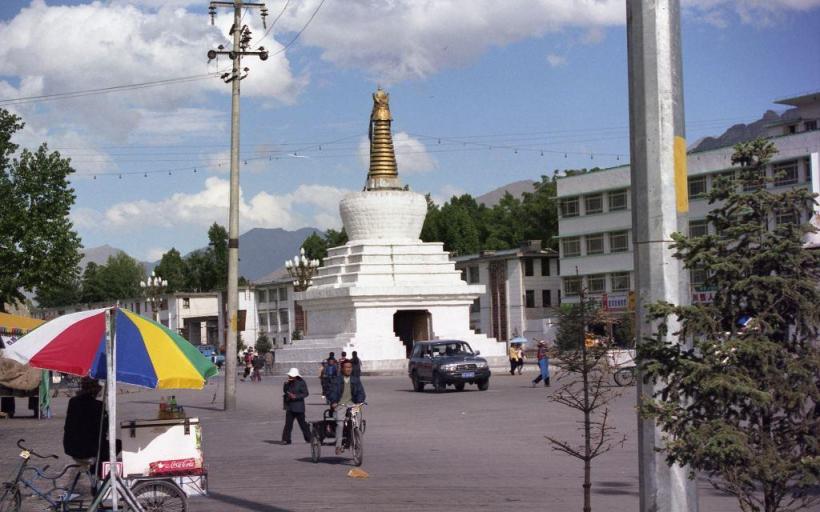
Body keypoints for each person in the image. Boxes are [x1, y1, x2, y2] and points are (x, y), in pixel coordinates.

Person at [63, 378, 118, 475]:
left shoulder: (73, 402)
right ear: (96, 390)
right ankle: (98, 474)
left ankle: (96, 472)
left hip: (70, 447)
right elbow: (103, 430)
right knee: (117, 444)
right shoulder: (98, 406)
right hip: (87, 449)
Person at [327, 360, 366, 455]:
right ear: (342, 368)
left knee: (357, 420)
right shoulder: (336, 380)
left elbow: (361, 392)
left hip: (352, 404)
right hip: (340, 404)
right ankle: (338, 446)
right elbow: (332, 392)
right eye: (346, 367)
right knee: (340, 424)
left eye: (350, 367)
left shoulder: (355, 380)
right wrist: (334, 402)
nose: (348, 369)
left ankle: (355, 436)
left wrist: (360, 401)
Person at [281, 368, 311, 444]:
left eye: (291, 375)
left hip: (299, 407)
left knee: (303, 424)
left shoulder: (301, 382)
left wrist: (296, 396)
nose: (289, 377)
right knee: (288, 424)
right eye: (289, 375)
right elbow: (285, 391)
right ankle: (286, 439)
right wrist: (285, 384)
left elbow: (306, 393)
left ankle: (309, 438)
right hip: (290, 406)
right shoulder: (288, 382)